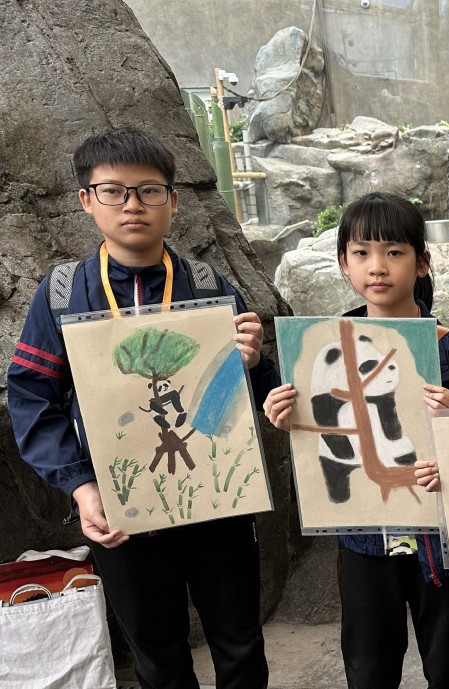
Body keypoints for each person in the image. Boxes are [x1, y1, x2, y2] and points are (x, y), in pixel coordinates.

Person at [7, 126, 278, 688]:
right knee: (156, 653)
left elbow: (259, 395)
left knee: (239, 641)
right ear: (87, 200)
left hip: (216, 504)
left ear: (173, 201)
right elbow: (32, 397)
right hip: (120, 510)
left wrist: (252, 364)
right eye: (113, 191)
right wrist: (82, 488)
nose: (132, 204)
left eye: (149, 191)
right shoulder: (62, 294)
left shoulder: (208, 285)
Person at [261, 192, 449, 689]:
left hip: (439, 538)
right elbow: (317, 431)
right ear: (344, 262)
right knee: (368, 664)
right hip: (362, 533)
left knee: (448, 663)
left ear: (422, 262)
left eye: (394, 252)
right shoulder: (321, 348)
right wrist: (286, 416)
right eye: (361, 252)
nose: (377, 266)